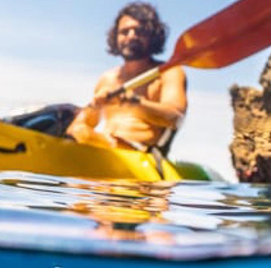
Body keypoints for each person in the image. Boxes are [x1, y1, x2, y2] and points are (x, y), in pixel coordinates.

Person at [66, 2, 187, 155]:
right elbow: (88, 122)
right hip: (106, 146)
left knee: (79, 132)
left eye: (139, 31)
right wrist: (94, 107)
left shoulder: (169, 72)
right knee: (71, 127)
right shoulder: (107, 78)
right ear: (116, 37)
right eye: (124, 32)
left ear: (152, 36)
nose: (131, 36)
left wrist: (133, 102)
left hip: (141, 154)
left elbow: (175, 118)